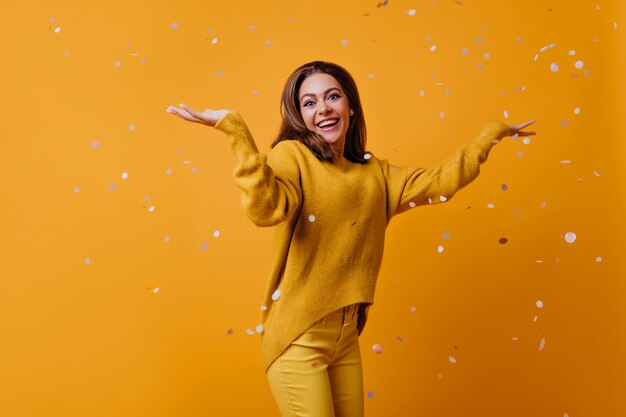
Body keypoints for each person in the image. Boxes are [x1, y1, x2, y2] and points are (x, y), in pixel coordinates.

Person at [166, 60, 535, 417]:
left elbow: (442, 181)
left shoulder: (376, 173)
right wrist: (236, 130)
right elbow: (266, 209)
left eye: (332, 97)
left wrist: (493, 131)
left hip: (345, 337)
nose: (323, 109)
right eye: (309, 102)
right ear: (299, 116)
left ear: (351, 107)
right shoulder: (291, 156)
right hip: (298, 336)